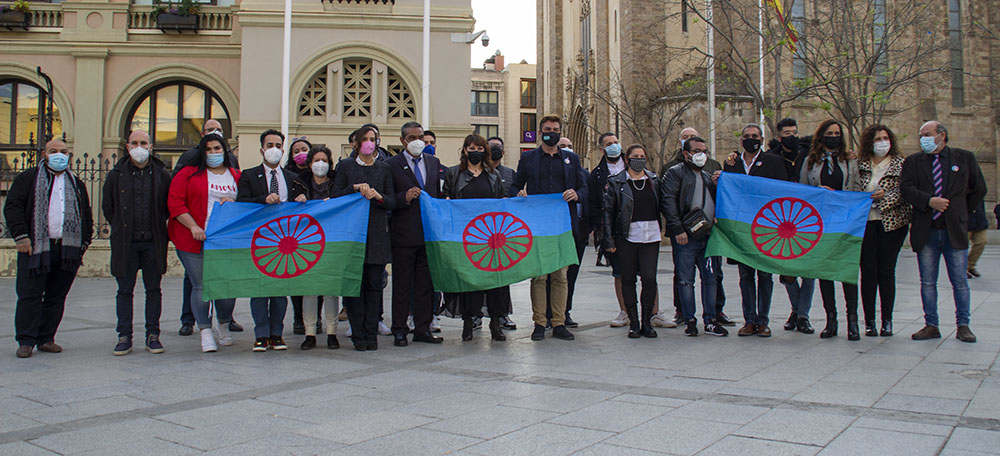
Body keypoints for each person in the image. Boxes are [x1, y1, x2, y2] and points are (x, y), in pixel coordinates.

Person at [5, 139, 93, 359]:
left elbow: (87, 215)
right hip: (34, 248)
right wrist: (21, 236)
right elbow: (13, 207)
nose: (59, 155)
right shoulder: (28, 179)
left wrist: (84, 242)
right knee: (30, 295)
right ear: (44, 154)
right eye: (54, 151)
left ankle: (46, 338)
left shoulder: (76, 183)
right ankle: (26, 340)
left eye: (63, 151)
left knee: (56, 296)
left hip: (66, 249)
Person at [901, 120, 986, 343]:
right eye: (921, 135)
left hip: (954, 230)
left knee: (959, 280)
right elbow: (906, 189)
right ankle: (931, 324)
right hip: (926, 230)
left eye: (927, 134)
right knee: (928, 281)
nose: (923, 139)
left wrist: (961, 212)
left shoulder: (963, 158)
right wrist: (929, 201)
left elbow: (978, 189)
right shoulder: (913, 162)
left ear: (941, 135)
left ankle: (963, 325)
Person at [511, 115, 589, 341]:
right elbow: (516, 185)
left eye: (555, 129)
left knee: (561, 276)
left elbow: (584, 187)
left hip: (563, 224)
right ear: (540, 132)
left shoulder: (571, 159)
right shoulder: (528, 159)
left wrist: (577, 194)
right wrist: (519, 194)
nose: (551, 132)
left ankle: (559, 322)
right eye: (547, 129)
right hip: (537, 224)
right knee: (539, 276)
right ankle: (539, 322)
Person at [167, 134, 240, 352]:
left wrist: (235, 202)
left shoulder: (236, 175)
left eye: (217, 148)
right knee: (200, 286)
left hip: (226, 243)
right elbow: (175, 202)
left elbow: (248, 203)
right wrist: (193, 226)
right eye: (208, 149)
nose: (213, 153)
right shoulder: (188, 174)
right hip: (195, 240)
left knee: (227, 287)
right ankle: (205, 330)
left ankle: (223, 324)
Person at [236, 129, 308, 352]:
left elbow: (301, 207)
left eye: (278, 145)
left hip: (284, 242)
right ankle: (261, 334)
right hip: (259, 241)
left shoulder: (293, 178)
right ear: (261, 149)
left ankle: (276, 333)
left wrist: (303, 199)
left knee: (279, 290)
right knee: (259, 291)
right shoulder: (248, 175)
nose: (274, 149)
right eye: (270, 145)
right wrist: (263, 200)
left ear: (283, 149)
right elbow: (242, 203)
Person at [104, 130, 172, 356]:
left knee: (154, 289)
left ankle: (153, 335)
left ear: (151, 146)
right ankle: (124, 336)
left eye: (143, 143)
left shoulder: (162, 174)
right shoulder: (116, 174)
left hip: (153, 241)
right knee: (124, 291)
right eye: (135, 143)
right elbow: (108, 207)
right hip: (126, 242)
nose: (139, 147)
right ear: (127, 147)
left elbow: (167, 207)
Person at [332, 126, 396, 351]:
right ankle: (358, 334)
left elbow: (392, 201)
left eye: (373, 139)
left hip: (377, 234)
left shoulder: (384, 169)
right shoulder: (346, 166)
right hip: (352, 236)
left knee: (374, 286)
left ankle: (371, 333)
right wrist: (354, 188)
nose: (369, 143)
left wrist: (378, 196)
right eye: (365, 139)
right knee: (354, 287)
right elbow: (335, 195)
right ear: (355, 144)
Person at [722, 123, 788, 337]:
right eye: (747, 136)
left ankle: (763, 321)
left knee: (765, 276)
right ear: (741, 140)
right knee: (746, 276)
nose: (752, 139)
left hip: (767, 228)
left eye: (755, 136)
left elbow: (783, 192)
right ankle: (749, 320)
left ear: (761, 138)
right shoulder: (732, 163)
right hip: (742, 229)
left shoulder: (774, 162)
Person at [799, 120, 862, 340]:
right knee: (825, 272)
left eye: (837, 133)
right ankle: (831, 319)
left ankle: (852, 321)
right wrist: (818, 192)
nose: (833, 136)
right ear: (821, 136)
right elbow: (803, 192)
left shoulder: (850, 161)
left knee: (846, 271)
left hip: (845, 221)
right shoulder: (810, 162)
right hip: (821, 223)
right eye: (829, 133)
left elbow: (857, 188)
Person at [661, 127, 730, 327]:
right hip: (686, 236)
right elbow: (668, 203)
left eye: (704, 151)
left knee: (710, 279)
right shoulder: (675, 173)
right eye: (696, 151)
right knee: (685, 279)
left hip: (708, 236)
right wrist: (678, 229)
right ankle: (689, 318)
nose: (701, 155)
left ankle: (710, 318)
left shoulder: (708, 176)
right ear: (686, 153)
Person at [443, 134, 509, 342]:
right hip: (465, 237)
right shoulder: (454, 173)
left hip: (491, 237)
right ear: (464, 150)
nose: (476, 152)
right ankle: (468, 321)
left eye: (480, 148)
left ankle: (496, 322)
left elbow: (500, 202)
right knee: (470, 281)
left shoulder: (493, 174)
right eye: (471, 148)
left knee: (496, 281)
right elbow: (445, 198)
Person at [386, 121, 444, 347]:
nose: (417, 141)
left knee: (425, 285)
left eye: (420, 136)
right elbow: (388, 198)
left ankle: (422, 328)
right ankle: (400, 329)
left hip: (427, 235)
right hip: (403, 235)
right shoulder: (391, 164)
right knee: (402, 285)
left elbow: (436, 196)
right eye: (412, 138)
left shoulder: (433, 162)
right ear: (403, 141)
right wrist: (404, 198)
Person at [857, 124, 911, 337]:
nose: (882, 142)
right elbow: (853, 188)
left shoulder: (902, 164)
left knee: (886, 271)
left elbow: (904, 190)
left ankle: (886, 320)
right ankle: (869, 320)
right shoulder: (860, 164)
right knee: (868, 271)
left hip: (892, 223)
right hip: (866, 223)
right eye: (877, 138)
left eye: (885, 138)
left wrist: (885, 198)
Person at [603, 144, 662, 338]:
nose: (639, 159)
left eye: (642, 156)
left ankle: (647, 320)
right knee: (628, 278)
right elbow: (609, 212)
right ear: (627, 159)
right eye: (635, 156)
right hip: (627, 236)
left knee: (649, 278)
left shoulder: (653, 180)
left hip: (651, 235)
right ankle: (634, 322)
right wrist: (609, 240)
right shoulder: (617, 182)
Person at [764, 117, 816, 334]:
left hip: (807, 218)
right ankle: (797, 310)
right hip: (782, 220)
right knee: (787, 272)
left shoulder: (808, 155)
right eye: (787, 134)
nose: (792, 137)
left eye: (795, 132)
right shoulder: (772, 158)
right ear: (779, 136)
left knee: (809, 271)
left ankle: (802, 314)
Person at [589, 132, 633, 329]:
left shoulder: (633, 166)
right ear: (602, 149)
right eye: (609, 144)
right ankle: (624, 311)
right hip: (613, 230)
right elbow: (594, 203)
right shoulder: (597, 174)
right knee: (619, 272)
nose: (614, 146)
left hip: (638, 225)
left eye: (616, 142)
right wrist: (602, 228)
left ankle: (653, 311)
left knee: (647, 273)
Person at [299, 145, 341, 350]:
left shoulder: (337, 185)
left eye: (324, 160)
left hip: (332, 240)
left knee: (330, 289)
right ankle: (310, 332)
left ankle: (332, 332)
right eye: (317, 160)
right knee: (309, 290)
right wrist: (297, 201)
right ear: (309, 164)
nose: (321, 164)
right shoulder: (300, 184)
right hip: (307, 243)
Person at [485, 136, 518, 331]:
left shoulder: (511, 174)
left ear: (503, 152)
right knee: (481, 275)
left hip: (503, 235)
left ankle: (503, 314)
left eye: (498, 148)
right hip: (481, 235)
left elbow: (516, 199)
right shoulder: (477, 172)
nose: (495, 151)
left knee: (502, 278)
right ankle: (477, 315)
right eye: (491, 148)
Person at [286, 136, 315, 336]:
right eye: (296, 150)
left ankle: (316, 318)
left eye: (304, 149)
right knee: (296, 278)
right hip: (295, 234)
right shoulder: (287, 177)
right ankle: (298, 317)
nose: (300, 153)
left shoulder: (322, 176)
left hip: (316, 234)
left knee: (316, 279)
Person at [967, 201, 987, 278]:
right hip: (965, 222)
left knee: (981, 242)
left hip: (979, 221)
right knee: (962, 247)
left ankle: (970, 265)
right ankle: (963, 268)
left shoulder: (978, 189)